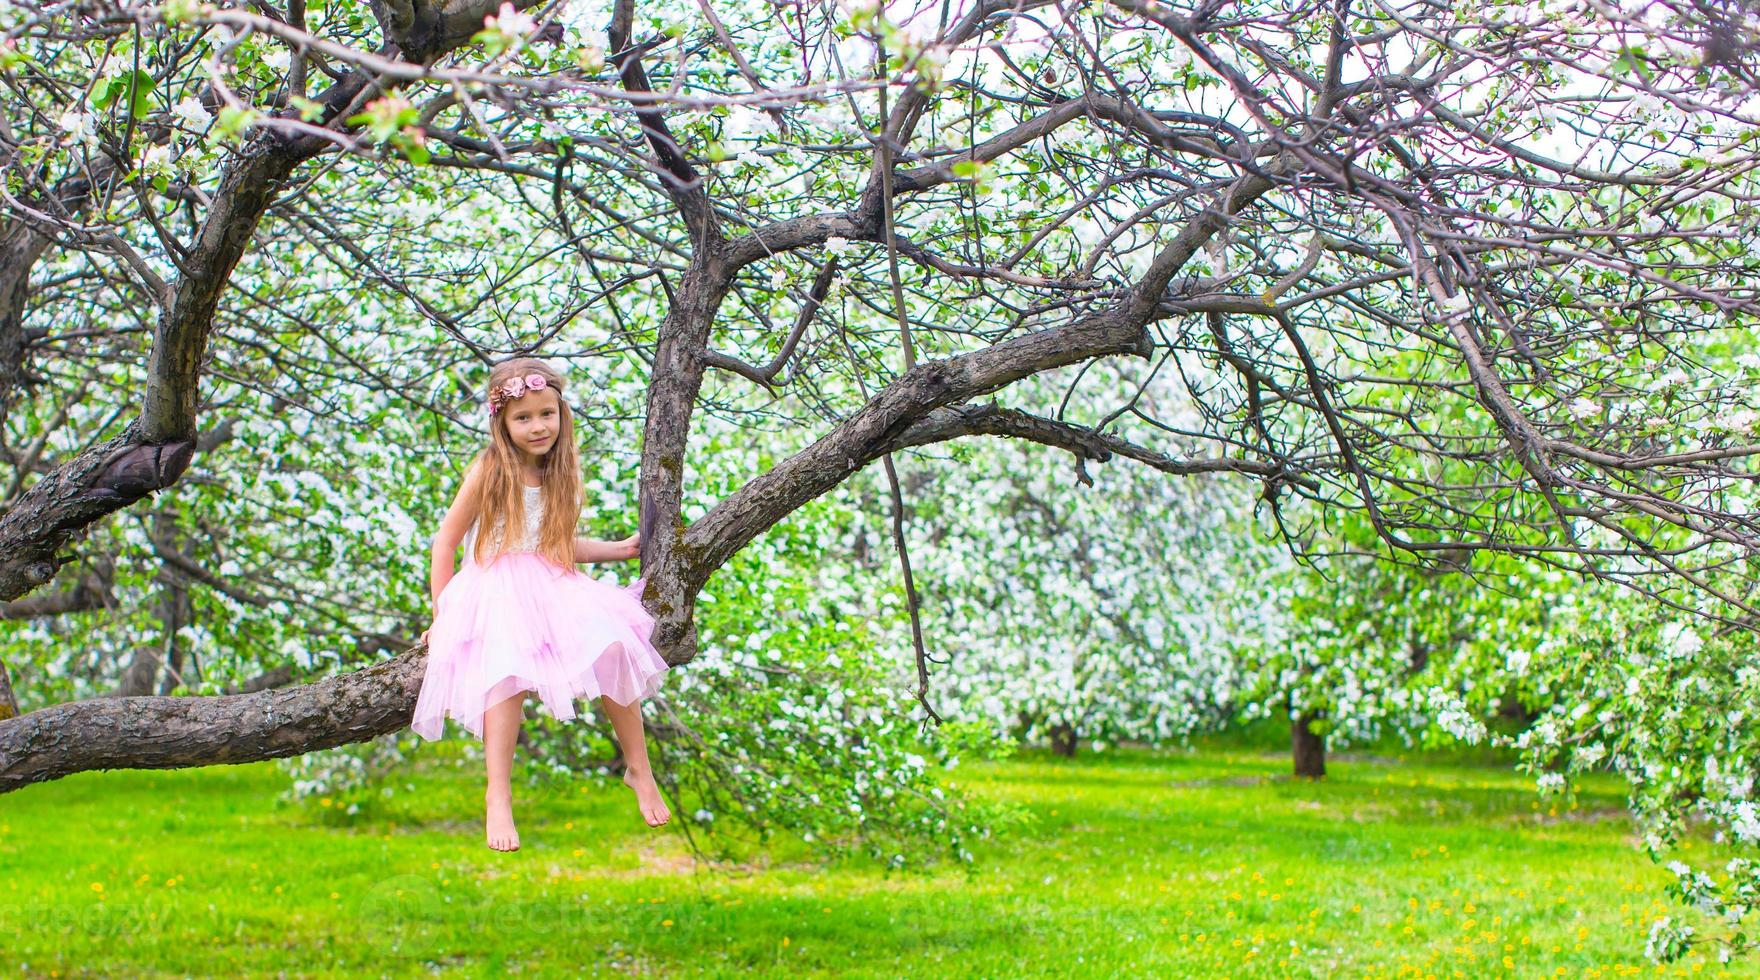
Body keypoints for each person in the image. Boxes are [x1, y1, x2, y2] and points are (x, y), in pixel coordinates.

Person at [411, 356, 671, 851]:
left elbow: (553, 544)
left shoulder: (557, 470)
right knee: (504, 673)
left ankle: (638, 768)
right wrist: (442, 613)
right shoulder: (490, 468)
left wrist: (615, 550)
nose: (538, 426)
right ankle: (498, 795)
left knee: (615, 646)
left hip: (550, 583)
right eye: (523, 417)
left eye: (546, 414)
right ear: (502, 423)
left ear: (561, 414)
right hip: (492, 588)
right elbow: (445, 542)